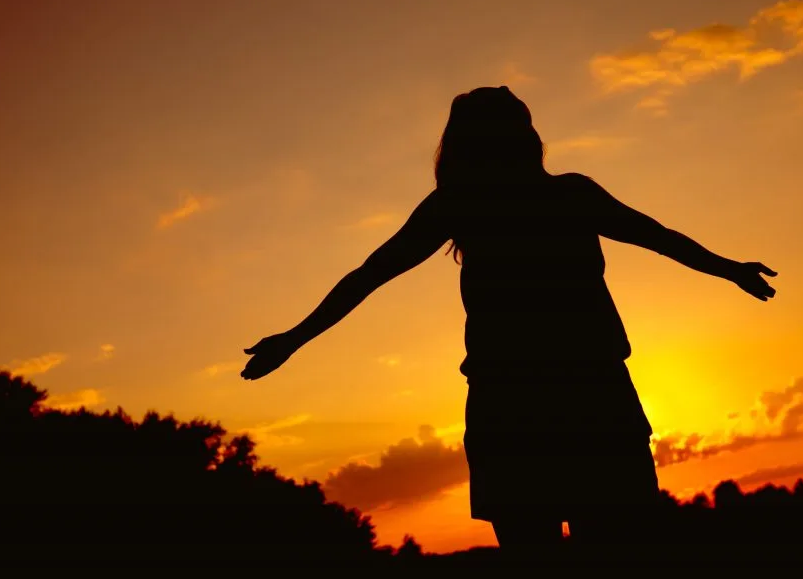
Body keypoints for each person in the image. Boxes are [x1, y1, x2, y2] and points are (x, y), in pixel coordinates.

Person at [241, 86, 776, 561]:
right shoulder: (515, 201)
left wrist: (730, 269)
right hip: (562, 399)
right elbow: (370, 274)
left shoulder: (506, 201)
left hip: (546, 401)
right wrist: (293, 337)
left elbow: (656, 235)